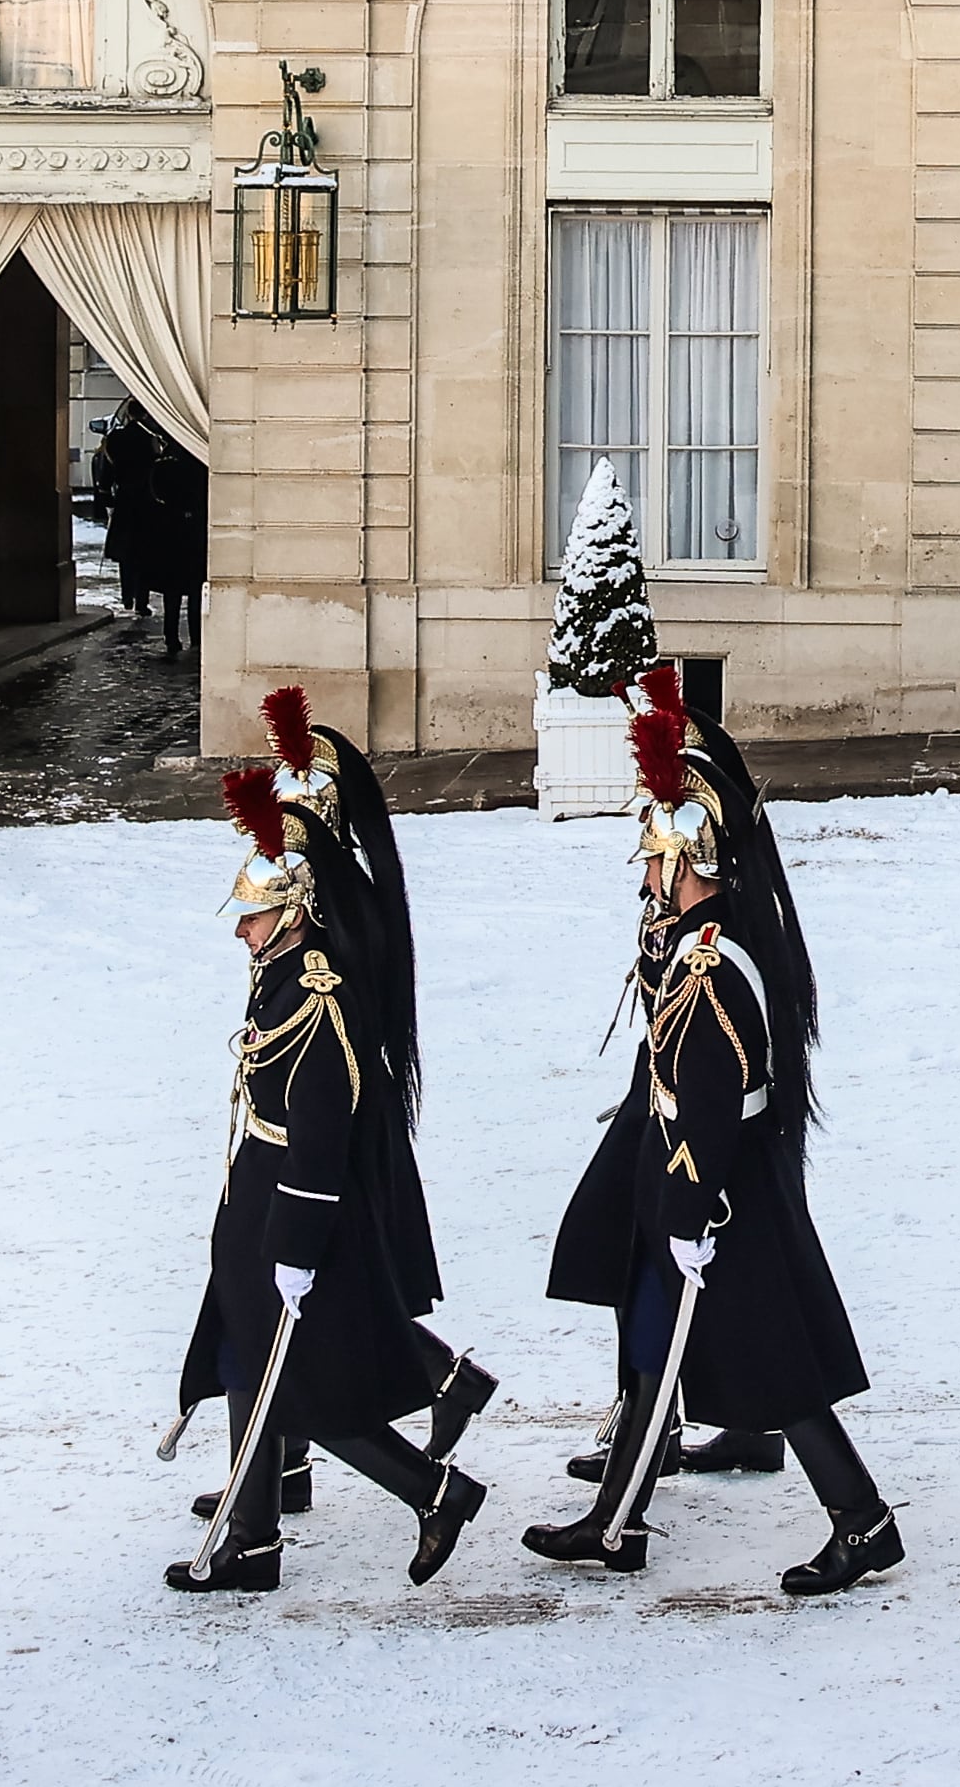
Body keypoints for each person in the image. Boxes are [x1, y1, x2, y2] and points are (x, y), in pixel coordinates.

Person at [528, 673, 901, 1593]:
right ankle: (618, 1521)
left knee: (773, 1363)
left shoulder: (710, 963)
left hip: (715, 1191)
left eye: (658, 862)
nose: (648, 877)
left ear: (692, 860)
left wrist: (688, 1208)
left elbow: (705, 1097)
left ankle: (862, 1519)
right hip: (691, 1179)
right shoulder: (698, 939)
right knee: (654, 1342)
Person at [165, 745, 491, 1597]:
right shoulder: (278, 973)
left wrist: (294, 1244)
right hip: (257, 1198)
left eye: (252, 915)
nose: (240, 927)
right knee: (248, 1359)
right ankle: (254, 1533)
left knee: (302, 1383)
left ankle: (433, 1490)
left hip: (288, 1208)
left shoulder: (312, 998)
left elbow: (317, 1139)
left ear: (297, 909)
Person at [545, 662, 782, 1497]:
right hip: (665, 1090)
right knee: (634, 1253)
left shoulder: (708, 869)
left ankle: (661, 1434)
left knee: (674, 1264)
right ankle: (661, 1423)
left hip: (692, 1105)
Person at [149, 436, 209, 662]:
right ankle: (196, 637)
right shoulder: (201, 467)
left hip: (170, 534)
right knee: (194, 590)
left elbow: (155, 496)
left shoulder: (162, 467)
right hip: (194, 534)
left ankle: (171, 636)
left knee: (172, 592)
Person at [91, 412, 155, 623]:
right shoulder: (151, 439)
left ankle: (127, 597)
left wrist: (107, 500)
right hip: (146, 501)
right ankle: (141, 601)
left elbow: (105, 476)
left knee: (126, 553)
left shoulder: (116, 439)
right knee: (144, 553)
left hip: (125, 501)